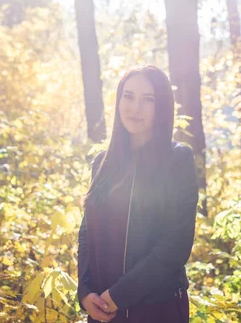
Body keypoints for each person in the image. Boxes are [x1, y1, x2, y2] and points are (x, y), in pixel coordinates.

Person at [77, 65, 199, 323]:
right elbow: (87, 233)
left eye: (148, 100)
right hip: (102, 312)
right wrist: (86, 292)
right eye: (129, 96)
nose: (135, 108)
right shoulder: (102, 162)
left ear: (162, 106)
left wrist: (119, 295)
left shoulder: (177, 160)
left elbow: (175, 246)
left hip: (157, 310)